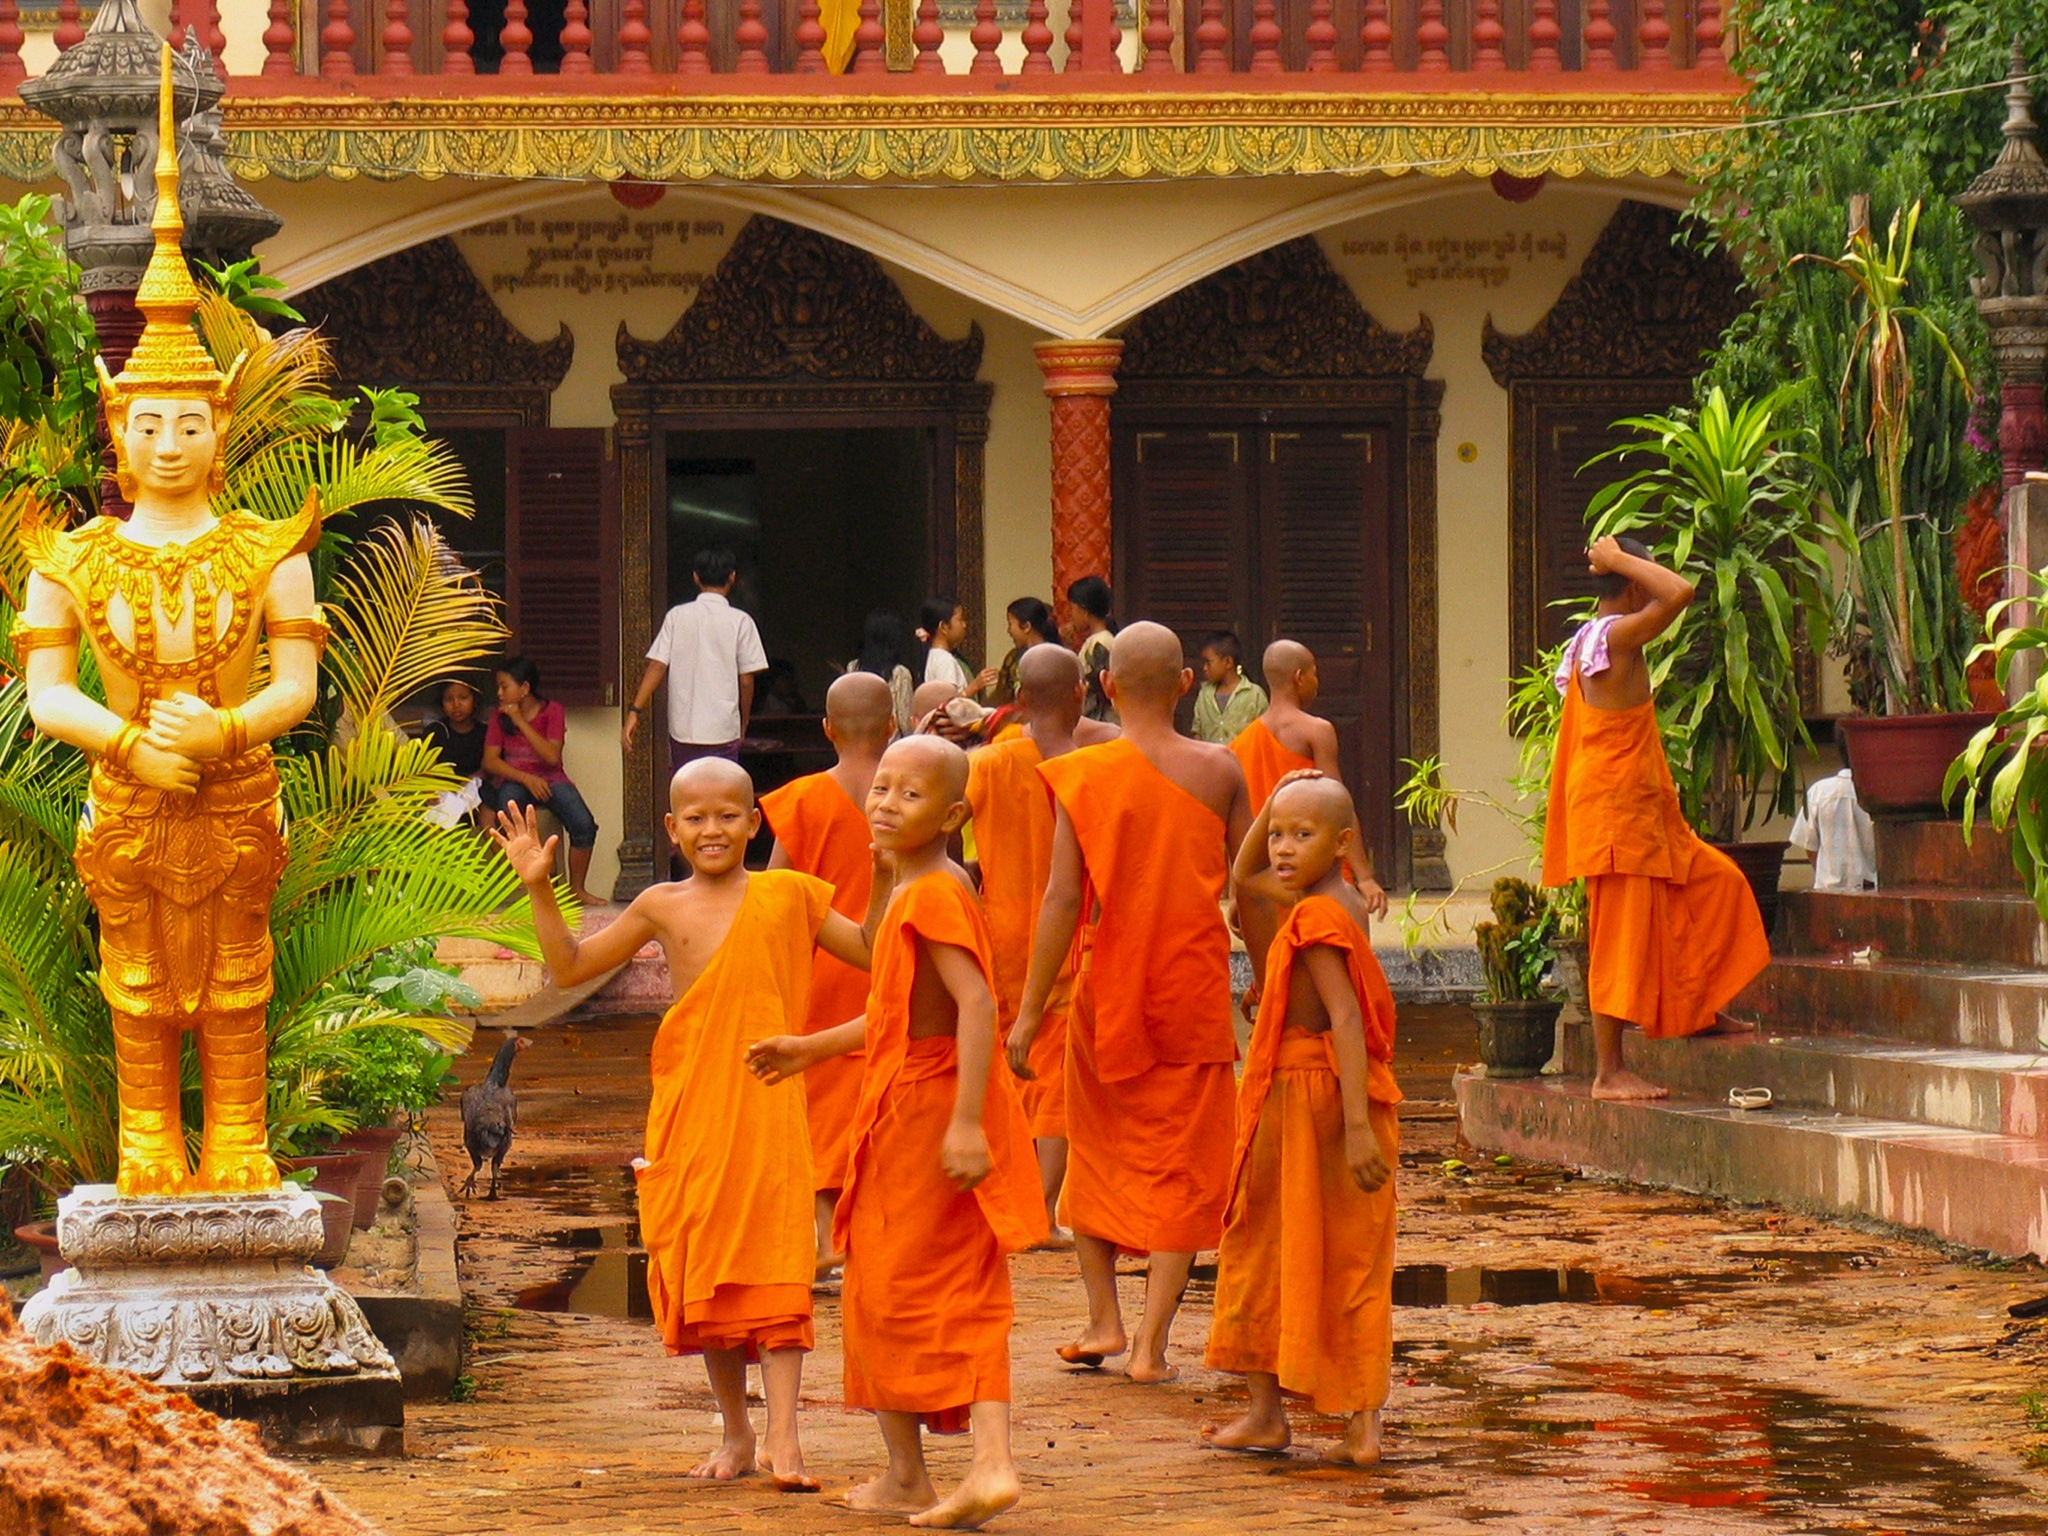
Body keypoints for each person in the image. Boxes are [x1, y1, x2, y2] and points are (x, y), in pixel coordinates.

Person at [486, 761, 885, 1491]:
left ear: (754, 823)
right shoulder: (661, 905)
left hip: (768, 1105)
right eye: (695, 818)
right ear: (671, 829)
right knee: (706, 1265)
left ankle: (787, 1438)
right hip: (693, 1106)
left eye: (728, 816)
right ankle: (737, 1433)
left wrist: (890, 869)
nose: (712, 830)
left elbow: (878, 953)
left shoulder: (790, 894)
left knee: (777, 1261)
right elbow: (569, 967)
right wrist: (538, 886)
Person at [748, 736, 1044, 1529]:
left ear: (952, 815)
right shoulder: (917, 883)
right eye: (880, 788)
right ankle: (908, 1474)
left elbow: (975, 1005)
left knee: (945, 1287)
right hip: (909, 1100)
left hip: (932, 1111)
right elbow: (897, 1009)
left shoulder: (936, 893)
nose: (883, 803)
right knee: (887, 1288)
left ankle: (989, 1462)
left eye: (908, 796)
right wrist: (808, 1048)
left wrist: (966, 1123)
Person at [1009, 622, 1250, 1384]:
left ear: (1106, 688)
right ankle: (1150, 1345)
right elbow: (1261, 885)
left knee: (1097, 1149)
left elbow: (1061, 900)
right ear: (1185, 684)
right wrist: (1275, 976)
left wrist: (1026, 1010)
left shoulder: (1085, 773)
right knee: (1183, 1161)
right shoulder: (1221, 767)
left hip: (1106, 984)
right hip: (1194, 983)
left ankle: (1103, 1318)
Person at [1205, 771, 1401, 1467]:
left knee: (1260, 1248)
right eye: (1279, 832)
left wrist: (1352, 1128)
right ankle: (1360, 1425)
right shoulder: (1341, 896)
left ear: (1342, 841)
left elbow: (1345, 1017)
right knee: (1351, 1257)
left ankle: (1267, 1414)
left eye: (1303, 835)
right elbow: (1249, 871)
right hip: (1331, 1095)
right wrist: (1287, 792)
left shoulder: (1316, 916)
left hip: (1308, 1098)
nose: (1282, 849)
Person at [1546, 536, 1771, 1101]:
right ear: (1633, 584)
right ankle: (1607, 1072)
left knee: (1715, 885)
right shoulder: (1614, 636)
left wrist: (1617, 563)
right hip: (1618, 812)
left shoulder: (1597, 639)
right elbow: (1683, 592)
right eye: (1645, 573)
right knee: (1620, 940)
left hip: (1641, 807)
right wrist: (1620, 559)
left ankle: (1695, 1008)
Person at [965, 645, 1120, 1240]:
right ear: (1081, 691)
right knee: (1053, 1077)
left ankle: (1014, 1197)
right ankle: (1042, 1207)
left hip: (1001, 930)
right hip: (1073, 932)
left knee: (1010, 1063)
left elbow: (944, 819)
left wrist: (965, 876)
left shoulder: (989, 762)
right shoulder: (1099, 758)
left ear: (1018, 700)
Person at [760, 672, 897, 1276]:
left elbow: (776, 892)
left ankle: (826, 1239)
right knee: (882, 1101)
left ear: (826, 730)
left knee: (822, 1110)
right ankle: (873, 1236)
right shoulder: (907, 797)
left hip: (822, 970)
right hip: (895, 963)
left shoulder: (804, 799)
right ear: (892, 728)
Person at [624, 547, 769, 773]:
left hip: (684, 729)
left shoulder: (677, 616)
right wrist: (744, 719)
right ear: (732, 577)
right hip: (724, 729)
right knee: (723, 793)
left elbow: (657, 665)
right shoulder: (741, 621)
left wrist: (635, 711)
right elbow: (746, 681)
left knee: (687, 790)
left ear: (696, 577)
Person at [482, 658, 602, 907]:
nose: (499, 693)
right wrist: (526, 778)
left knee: (584, 825)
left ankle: (577, 889)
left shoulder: (553, 711)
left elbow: (551, 757)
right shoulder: (498, 716)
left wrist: (520, 722)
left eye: (505, 687)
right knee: (508, 811)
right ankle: (530, 892)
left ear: (524, 688)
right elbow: (491, 762)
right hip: (516, 779)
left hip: (552, 779)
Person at [1790, 767, 1876, 892]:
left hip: (1828, 890)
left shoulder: (1818, 791)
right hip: (1871, 889)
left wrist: (1824, 875)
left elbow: (1809, 845)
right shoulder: (1879, 792)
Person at [1192, 632, 1267, 746]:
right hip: (1210, 762)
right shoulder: (1204, 695)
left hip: (1243, 762)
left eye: (1209, 662)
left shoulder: (1255, 695)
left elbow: (1265, 736)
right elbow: (1197, 733)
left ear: (1228, 662)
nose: (1205, 668)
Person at [855, 609, 919, 737]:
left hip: (860, 744)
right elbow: (905, 723)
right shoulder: (900, 674)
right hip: (891, 748)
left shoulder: (853, 669)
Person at [918, 597, 998, 698]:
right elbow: (948, 705)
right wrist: (974, 686)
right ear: (944, 626)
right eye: (960, 620)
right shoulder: (944, 660)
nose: (964, 625)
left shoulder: (936, 656)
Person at [1064, 576, 1117, 723]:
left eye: (1073, 609)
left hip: (1101, 719)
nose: (1071, 615)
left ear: (1084, 611)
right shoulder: (1097, 641)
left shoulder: (1101, 643)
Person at [992, 597, 1055, 705]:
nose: (1008, 631)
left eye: (1010, 624)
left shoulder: (1053, 657)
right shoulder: (1014, 657)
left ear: (1026, 626)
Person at [422, 678, 487, 781]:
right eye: (449, 699)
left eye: (463, 698)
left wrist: (470, 781)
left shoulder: (485, 732)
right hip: (440, 791)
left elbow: (488, 770)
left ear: (475, 700)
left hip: (476, 790)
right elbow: (427, 771)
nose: (456, 705)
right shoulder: (436, 731)